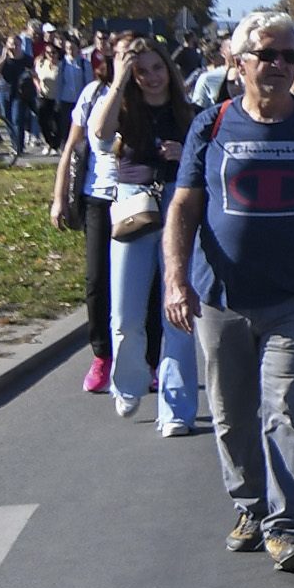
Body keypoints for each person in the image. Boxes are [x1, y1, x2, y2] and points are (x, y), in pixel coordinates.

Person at [164, 11, 294, 574]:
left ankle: (287, 525)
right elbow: (183, 207)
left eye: (290, 56)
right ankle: (249, 506)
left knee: (289, 412)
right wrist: (176, 279)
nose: (280, 65)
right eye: (268, 55)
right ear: (238, 61)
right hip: (221, 298)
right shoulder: (211, 124)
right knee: (231, 414)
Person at [89, 35, 197, 433]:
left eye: (157, 68)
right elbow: (99, 134)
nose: (152, 78)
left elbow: (208, 158)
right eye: (141, 71)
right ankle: (129, 384)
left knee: (178, 311)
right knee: (126, 312)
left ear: (168, 69)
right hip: (133, 207)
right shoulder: (124, 107)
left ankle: (177, 411)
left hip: (177, 205)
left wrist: (184, 153)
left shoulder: (188, 112)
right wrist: (118, 80)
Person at [49, 46, 119, 394]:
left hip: (138, 198)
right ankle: (101, 355)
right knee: (96, 279)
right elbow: (71, 147)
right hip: (96, 198)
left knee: (144, 284)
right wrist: (59, 197)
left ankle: (146, 357)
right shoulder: (93, 93)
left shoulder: (151, 94)